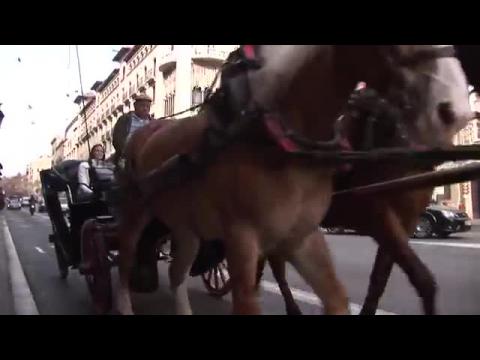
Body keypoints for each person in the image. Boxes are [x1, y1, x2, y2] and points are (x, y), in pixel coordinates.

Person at [112, 93, 153, 167]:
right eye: (142, 105)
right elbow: (117, 139)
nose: (145, 108)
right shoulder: (124, 119)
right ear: (135, 106)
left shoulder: (152, 122)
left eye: (148, 106)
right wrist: (125, 153)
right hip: (127, 157)